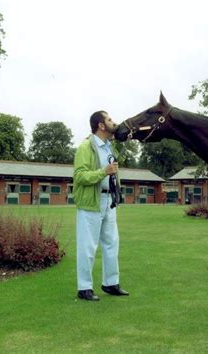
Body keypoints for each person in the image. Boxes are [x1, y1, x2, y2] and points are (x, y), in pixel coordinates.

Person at [73, 110, 129, 301]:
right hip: (91, 203)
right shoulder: (85, 148)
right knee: (88, 246)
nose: (114, 122)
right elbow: (80, 176)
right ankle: (84, 288)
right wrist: (103, 172)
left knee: (112, 244)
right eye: (110, 119)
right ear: (101, 125)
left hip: (109, 201)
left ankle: (111, 283)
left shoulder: (109, 147)